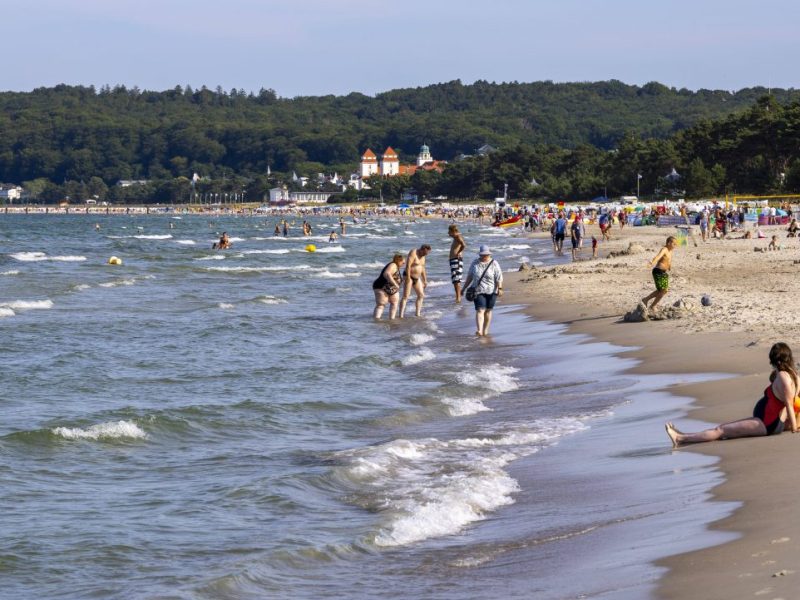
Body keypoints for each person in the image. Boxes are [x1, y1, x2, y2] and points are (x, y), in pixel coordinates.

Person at [666, 343, 799, 447]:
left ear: (774, 360)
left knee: (721, 430)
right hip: (769, 422)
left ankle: (680, 438)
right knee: (726, 431)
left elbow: (789, 403)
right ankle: (684, 436)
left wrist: (794, 428)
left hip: (766, 423)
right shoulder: (794, 375)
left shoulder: (783, 377)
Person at [463, 245, 503, 337]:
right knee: (480, 310)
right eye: (482, 255)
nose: (484, 256)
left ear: (489, 254)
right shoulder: (475, 263)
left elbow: (499, 277)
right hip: (478, 290)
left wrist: (500, 288)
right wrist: (464, 288)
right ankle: (479, 330)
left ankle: (485, 330)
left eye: (486, 255)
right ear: (480, 255)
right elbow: (470, 276)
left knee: (488, 310)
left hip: (492, 290)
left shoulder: (494, 263)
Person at [641, 236, 678, 311]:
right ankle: (653, 306)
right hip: (658, 271)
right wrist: (652, 262)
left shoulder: (670, 251)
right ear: (669, 243)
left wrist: (669, 266)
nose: (675, 245)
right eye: (674, 244)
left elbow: (669, 260)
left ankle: (645, 300)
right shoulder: (664, 249)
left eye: (676, 244)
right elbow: (658, 257)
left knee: (661, 291)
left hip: (663, 272)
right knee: (664, 290)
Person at [400, 244, 431, 318]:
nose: (426, 255)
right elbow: (408, 265)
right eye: (425, 253)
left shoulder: (423, 257)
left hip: (417, 278)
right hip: (409, 276)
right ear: (422, 249)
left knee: (421, 295)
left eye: (427, 253)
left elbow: (423, 268)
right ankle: (401, 315)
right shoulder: (413, 252)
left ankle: (417, 314)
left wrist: (425, 280)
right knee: (406, 296)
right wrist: (407, 278)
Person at [372, 254, 404, 320]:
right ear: (398, 260)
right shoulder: (393, 265)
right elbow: (387, 273)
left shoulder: (396, 267)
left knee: (395, 302)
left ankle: (392, 320)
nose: (403, 264)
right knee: (381, 304)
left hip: (390, 288)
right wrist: (395, 284)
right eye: (403, 262)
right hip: (381, 286)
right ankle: (377, 321)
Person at [448, 224, 467, 303]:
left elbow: (464, 245)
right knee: (456, 279)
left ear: (453, 231)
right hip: (454, 260)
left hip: (456, 260)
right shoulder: (456, 237)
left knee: (456, 280)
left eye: (449, 231)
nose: (448, 233)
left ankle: (458, 297)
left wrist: (459, 252)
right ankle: (458, 296)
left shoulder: (457, 236)